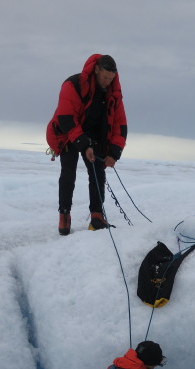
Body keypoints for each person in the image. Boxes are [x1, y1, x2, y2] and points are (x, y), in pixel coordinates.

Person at [46, 54, 127, 235]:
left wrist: (114, 152)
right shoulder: (72, 85)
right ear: (96, 70)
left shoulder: (113, 93)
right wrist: (83, 145)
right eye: (105, 77)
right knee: (68, 173)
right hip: (67, 133)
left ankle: (96, 217)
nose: (107, 82)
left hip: (93, 135)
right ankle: (64, 216)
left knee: (98, 172)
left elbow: (120, 125)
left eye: (111, 78)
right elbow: (66, 118)